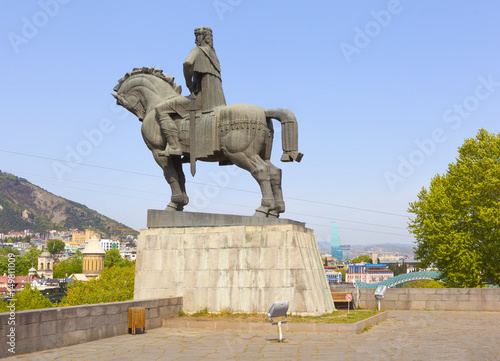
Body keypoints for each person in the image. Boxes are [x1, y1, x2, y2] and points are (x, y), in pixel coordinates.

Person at [183, 27, 226, 112]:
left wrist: (189, 83)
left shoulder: (198, 50)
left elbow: (187, 63)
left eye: (196, 37)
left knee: (161, 108)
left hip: (201, 100)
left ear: (203, 36)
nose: (195, 41)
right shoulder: (214, 55)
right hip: (219, 102)